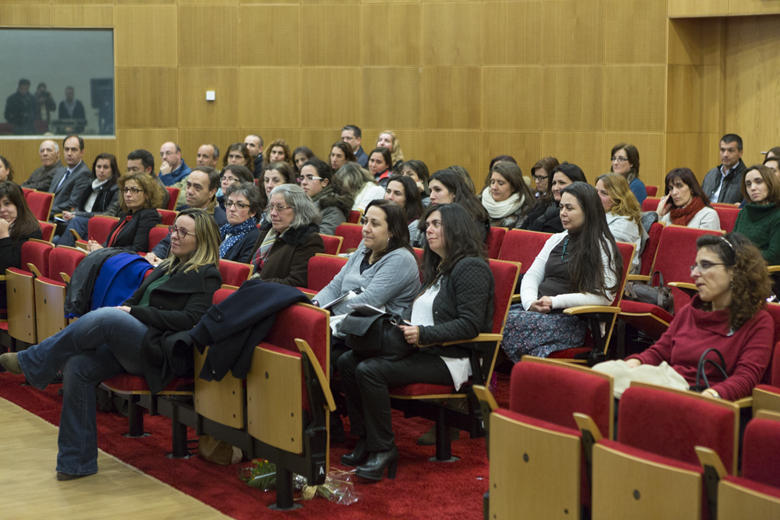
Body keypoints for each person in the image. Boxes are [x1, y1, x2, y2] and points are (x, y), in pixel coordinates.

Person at [0, 208, 222, 480]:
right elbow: (136, 299)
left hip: (159, 350)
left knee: (107, 317)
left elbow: (191, 320)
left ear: (202, 240)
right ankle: (76, 463)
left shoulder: (207, 275)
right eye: (174, 229)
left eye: (183, 232)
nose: (174, 236)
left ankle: (33, 360)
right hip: (136, 339)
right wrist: (128, 308)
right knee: (77, 366)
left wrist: (134, 313)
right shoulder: (167, 265)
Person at [337, 203, 494, 481]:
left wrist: (423, 334)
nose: (428, 231)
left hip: (451, 358)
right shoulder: (440, 267)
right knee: (348, 361)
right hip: (423, 348)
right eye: (427, 225)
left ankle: (383, 449)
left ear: (456, 229)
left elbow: (470, 325)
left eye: (436, 225)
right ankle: (365, 438)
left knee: (370, 370)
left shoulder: (471, 268)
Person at [624, 233, 773, 401]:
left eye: (705, 265)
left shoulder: (758, 322)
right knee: (607, 377)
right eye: (694, 266)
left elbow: (745, 378)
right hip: (664, 383)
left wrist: (709, 396)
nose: (694, 274)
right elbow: (659, 352)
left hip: (701, 399)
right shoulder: (690, 311)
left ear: (734, 271)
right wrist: (635, 363)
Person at [502, 182, 622, 360]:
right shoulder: (557, 239)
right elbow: (532, 275)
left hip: (568, 320)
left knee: (505, 322)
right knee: (491, 314)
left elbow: (605, 297)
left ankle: (489, 369)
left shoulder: (602, 246)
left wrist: (554, 302)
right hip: (537, 312)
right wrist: (530, 302)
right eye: (561, 207)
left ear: (588, 211)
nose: (563, 213)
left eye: (569, 208)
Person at [249, 184, 324, 287]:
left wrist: (256, 284)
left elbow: (296, 282)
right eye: (271, 207)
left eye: (280, 208)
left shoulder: (308, 239)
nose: (273, 213)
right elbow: (247, 266)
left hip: (269, 293)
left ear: (298, 210)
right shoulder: (267, 231)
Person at [86, 172, 162, 253]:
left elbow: (138, 249)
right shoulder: (127, 213)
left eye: (134, 190)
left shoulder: (149, 215)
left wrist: (104, 250)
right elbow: (112, 242)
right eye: (126, 190)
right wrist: (98, 247)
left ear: (147, 194)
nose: (128, 194)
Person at [56, 153, 121, 247]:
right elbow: (79, 206)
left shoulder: (116, 189)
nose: (101, 170)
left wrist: (77, 215)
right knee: (55, 238)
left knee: (76, 221)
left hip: (99, 224)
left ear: (113, 170)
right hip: (81, 222)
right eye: (98, 167)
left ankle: (61, 251)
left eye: (105, 167)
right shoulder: (91, 184)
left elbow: (108, 214)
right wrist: (72, 214)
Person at [596, 173, 645, 273]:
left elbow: (606, 256)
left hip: (612, 275)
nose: (596, 196)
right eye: (595, 191)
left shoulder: (625, 223)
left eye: (604, 193)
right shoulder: (599, 214)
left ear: (618, 198)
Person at [733, 165, 780, 265]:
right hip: (739, 265)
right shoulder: (745, 211)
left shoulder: (777, 215)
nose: (752, 188)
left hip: (764, 271)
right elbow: (733, 242)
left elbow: (773, 256)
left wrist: (742, 255)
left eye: (758, 182)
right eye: (748, 184)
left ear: (770, 183)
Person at [522, 162, 587, 233]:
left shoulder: (580, 214)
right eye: (554, 183)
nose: (555, 188)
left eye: (562, 183)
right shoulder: (542, 205)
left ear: (577, 185)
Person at [429, 169, 490, 242]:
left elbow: (469, 246)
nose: (431, 196)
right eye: (430, 191)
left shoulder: (472, 217)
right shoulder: (431, 215)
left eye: (437, 190)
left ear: (454, 192)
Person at [300, 158, 352, 235]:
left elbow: (322, 239)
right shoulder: (299, 203)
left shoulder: (333, 208)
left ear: (324, 182)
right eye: (301, 178)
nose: (304, 182)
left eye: (310, 178)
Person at [656, 167, 720, 230]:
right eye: (671, 188)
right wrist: (658, 214)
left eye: (679, 186)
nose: (674, 192)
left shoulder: (708, 215)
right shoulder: (668, 215)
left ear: (691, 189)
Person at [0, 181, 42, 273]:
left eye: (7, 203)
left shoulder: (31, 232)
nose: (2, 209)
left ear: (18, 205)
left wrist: (4, 236)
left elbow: (8, 269)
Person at [481, 161, 536, 228]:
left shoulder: (527, 211)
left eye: (500, 183)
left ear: (514, 186)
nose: (494, 187)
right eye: (492, 182)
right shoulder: (478, 204)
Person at [48, 135, 92, 218]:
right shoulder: (60, 171)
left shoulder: (84, 173)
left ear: (82, 152)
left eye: (74, 150)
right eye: (66, 149)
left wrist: (47, 211)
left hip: (60, 218)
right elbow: (49, 195)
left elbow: (72, 204)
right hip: (48, 215)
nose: (69, 153)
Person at [219, 182, 260, 263]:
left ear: (253, 211)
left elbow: (241, 268)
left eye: (240, 205)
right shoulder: (223, 229)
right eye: (229, 203)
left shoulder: (254, 237)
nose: (232, 209)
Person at [701, 134, 748, 205]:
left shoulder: (746, 177)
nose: (725, 154)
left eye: (730, 150)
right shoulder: (711, 174)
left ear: (740, 153)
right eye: (722, 150)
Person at [384, 175, 424, 247]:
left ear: (409, 198)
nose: (390, 197)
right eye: (388, 191)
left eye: (397, 193)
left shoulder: (414, 225)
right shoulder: (381, 216)